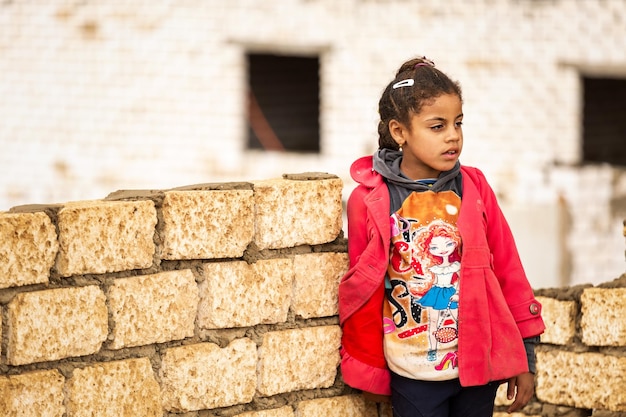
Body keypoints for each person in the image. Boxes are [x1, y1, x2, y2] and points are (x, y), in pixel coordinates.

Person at [338, 56, 545, 417]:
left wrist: (524, 355)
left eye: (458, 123)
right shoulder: (370, 200)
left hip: (479, 370)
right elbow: (363, 294)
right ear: (400, 131)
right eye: (437, 126)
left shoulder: (475, 188)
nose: (453, 136)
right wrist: (370, 370)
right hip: (411, 374)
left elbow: (509, 271)